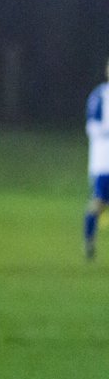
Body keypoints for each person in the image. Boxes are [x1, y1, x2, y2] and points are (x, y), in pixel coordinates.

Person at [84, 58, 109, 260]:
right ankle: (89, 242)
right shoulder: (100, 95)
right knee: (99, 202)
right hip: (104, 161)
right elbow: (91, 127)